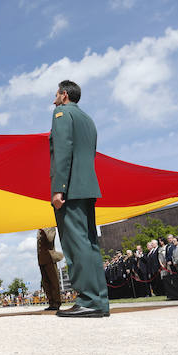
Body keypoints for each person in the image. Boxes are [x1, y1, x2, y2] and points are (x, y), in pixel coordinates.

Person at [49, 80, 109, 318]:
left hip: (71, 189)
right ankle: (99, 300)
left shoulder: (61, 113)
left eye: (56, 95)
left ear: (64, 95)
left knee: (76, 245)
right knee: (90, 244)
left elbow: (63, 150)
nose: (53, 99)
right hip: (87, 186)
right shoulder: (88, 119)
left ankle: (88, 300)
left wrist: (59, 188)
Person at [37, 227, 63, 311]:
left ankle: (56, 303)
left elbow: (50, 239)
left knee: (54, 281)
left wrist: (43, 231)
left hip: (49, 258)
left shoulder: (50, 227)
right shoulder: (39, 229)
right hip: (42, 259)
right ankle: (51, 302)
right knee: (46, 283)